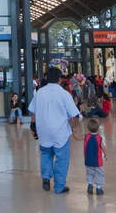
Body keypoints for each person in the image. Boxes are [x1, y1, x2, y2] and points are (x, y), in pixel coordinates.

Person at [32, 66, 80, 194]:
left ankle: (46, 177)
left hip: (43, 131)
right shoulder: (64, 94)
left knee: (46, 154)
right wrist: (74, 128)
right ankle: (59, 187)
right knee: (61, 159)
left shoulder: (40, 92)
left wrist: (33, 126)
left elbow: (33, 111)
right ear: (60, 79)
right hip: (60, 132)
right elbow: (74, 114)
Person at [84, 118, 107, 195]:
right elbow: (103, 147)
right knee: (99, 174)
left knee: (89, 173)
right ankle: (98, 188)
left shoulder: (86, 137)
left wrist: (74, 134)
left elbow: (78, 138)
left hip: (88, 160)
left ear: (88, 128)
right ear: (98, 128)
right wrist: (105, 154)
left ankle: (90, 184)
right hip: (97, 161)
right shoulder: (99, 138)